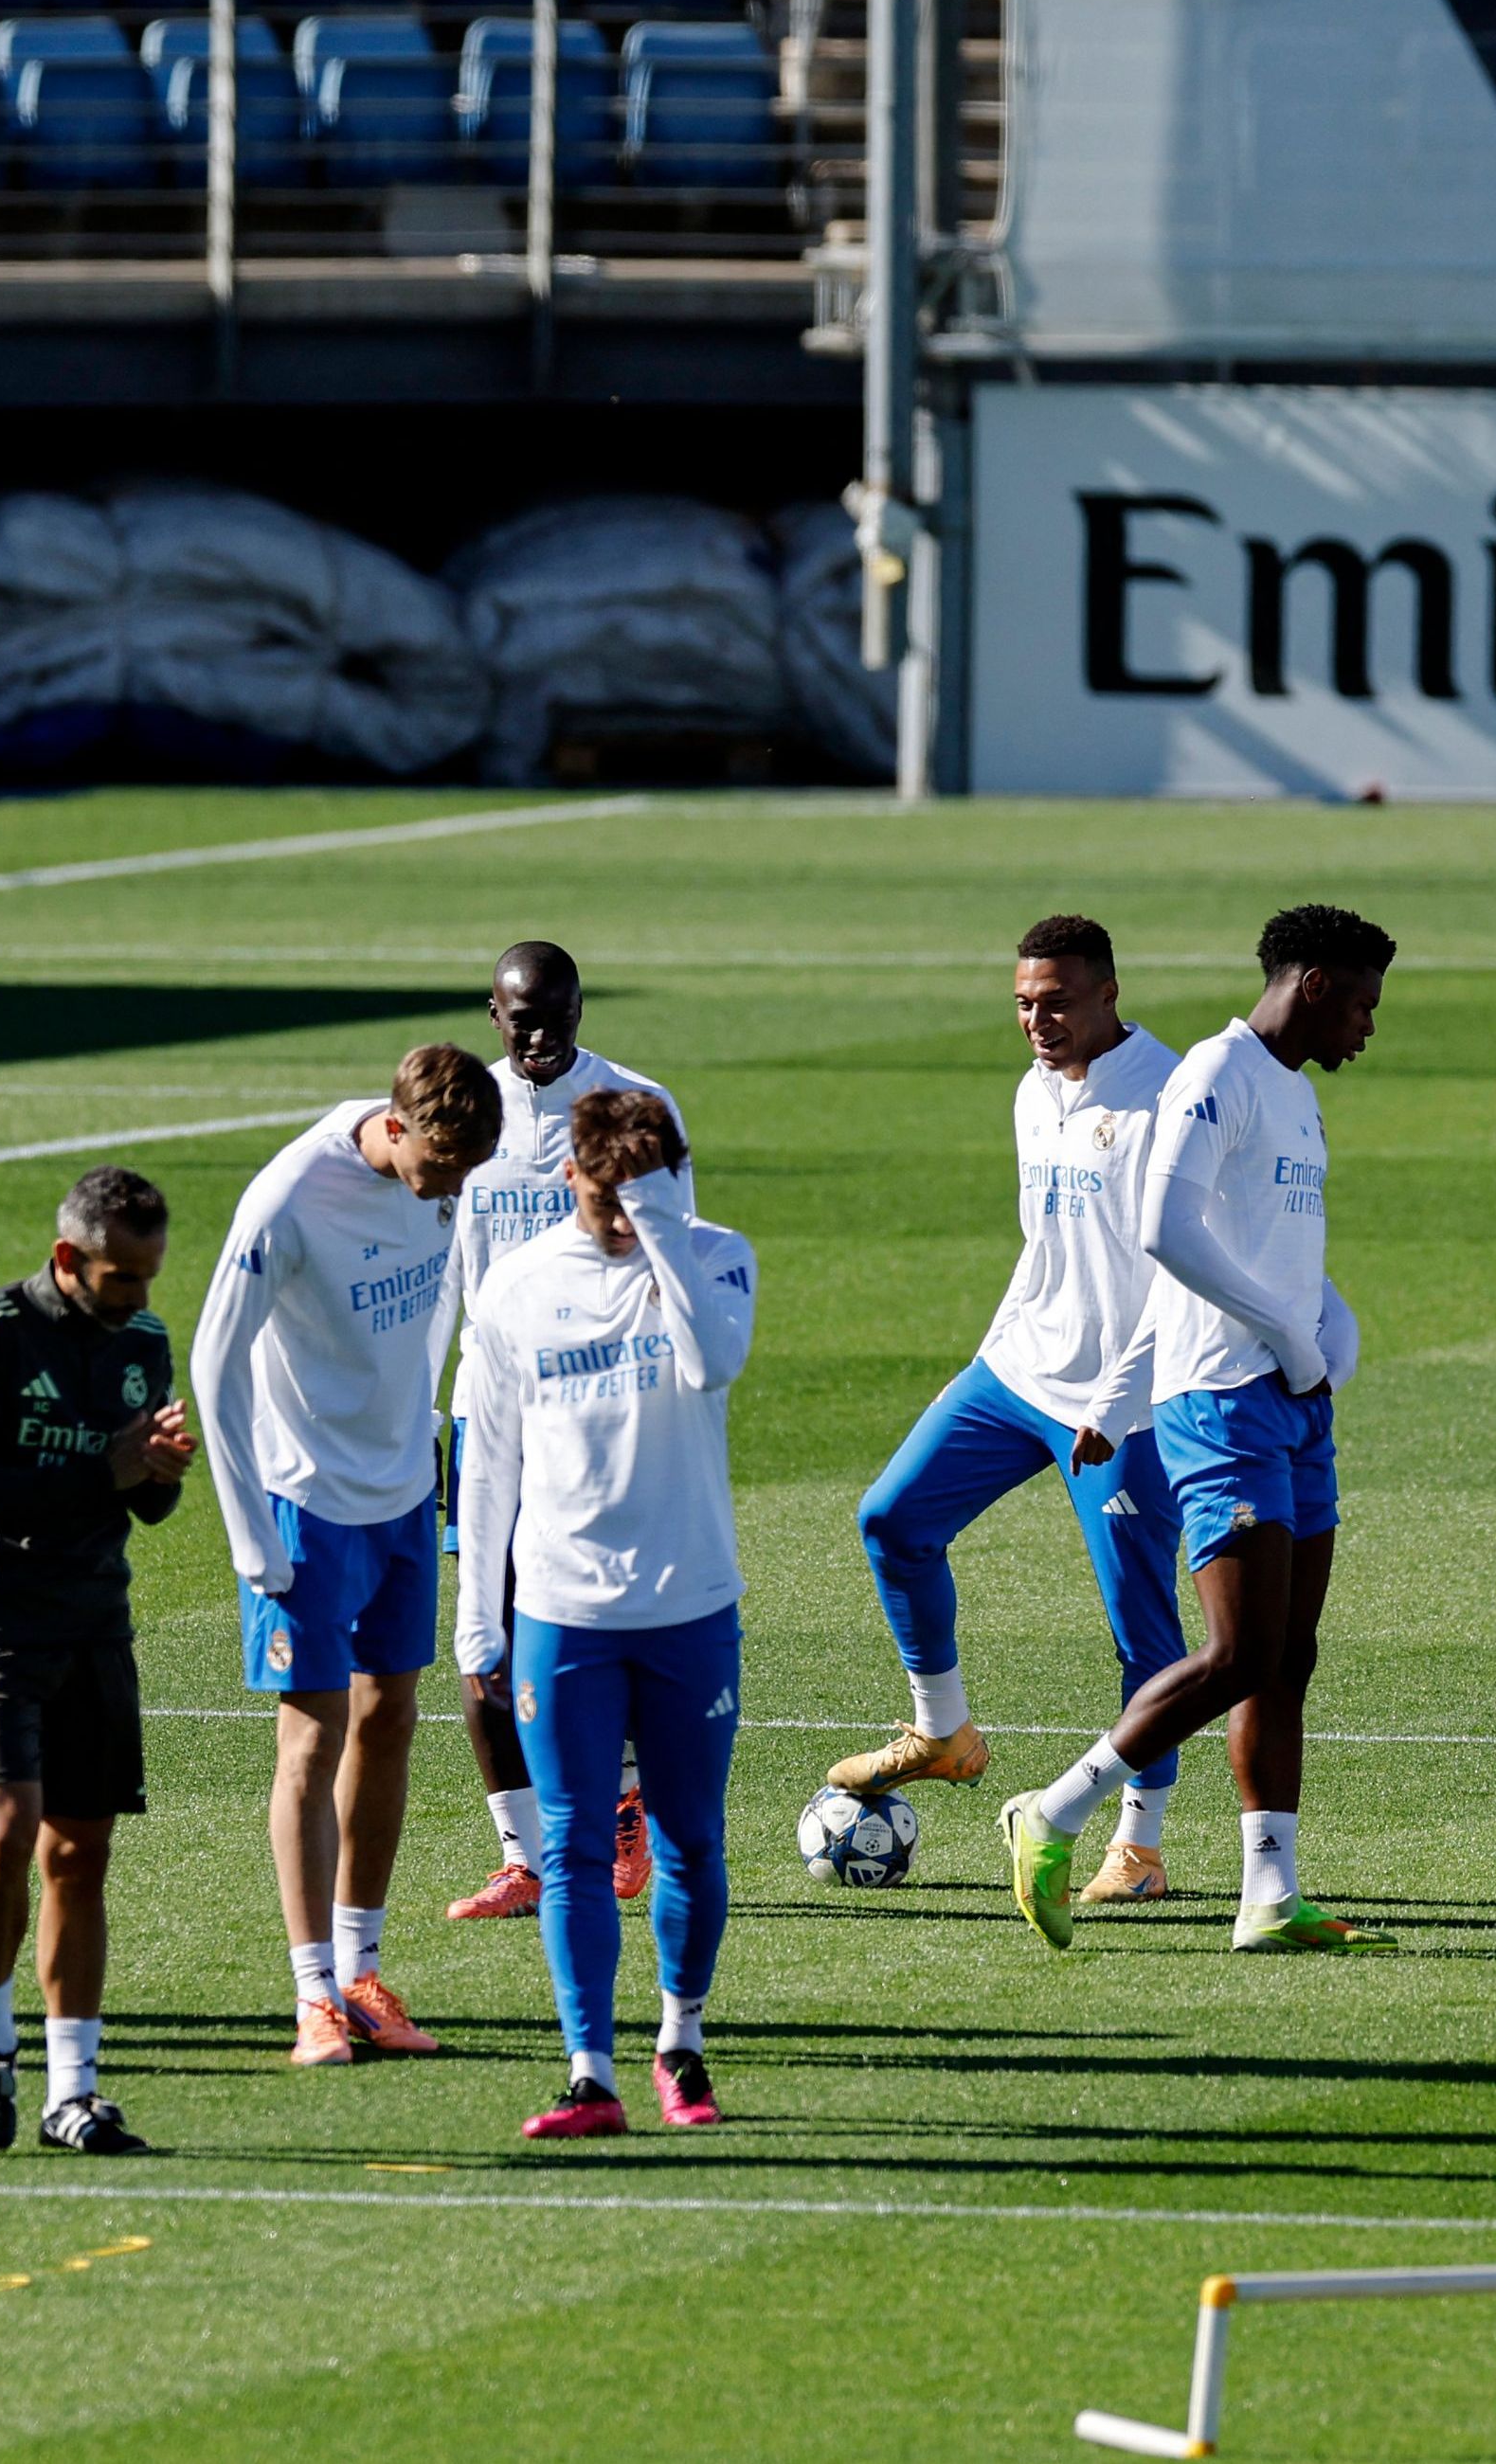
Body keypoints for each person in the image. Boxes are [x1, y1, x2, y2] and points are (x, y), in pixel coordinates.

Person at [1000, 904, 1395, 1954]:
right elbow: (1160, 1232)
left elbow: (1287, 1259)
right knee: (1237, 1649)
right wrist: (1282, 1342)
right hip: (1221, 1397)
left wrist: (1326, 1346)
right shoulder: (1216, 1074)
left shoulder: (1293, 1093)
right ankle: (1055, 1807)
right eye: (1360, 1003)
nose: (1367, 1027)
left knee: (1288, 1655)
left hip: (1290, 1399)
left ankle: (1269, 1891)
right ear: (1313, 984)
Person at [828, 914, 1197, 1907]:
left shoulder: (1168, 1100)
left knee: (1141, 1627)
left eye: (1059, 1000)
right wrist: (997, 1351)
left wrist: (1118, 1401)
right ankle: (942, 1730)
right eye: (1025, 1003)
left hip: (1128, 1402)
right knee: (891, 1519)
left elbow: (1182, 1277)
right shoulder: (1032, 1092)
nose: (1039, 1020)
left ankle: (1140, 1846)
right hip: (1018, 1370)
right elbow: (1050, 1245)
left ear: (1111, 993)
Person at [451, 1090, 761, 2137]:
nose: (622, 1213)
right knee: (577, 1844)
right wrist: (474, 1619)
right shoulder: (517, 1286)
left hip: (689, 1605)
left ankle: (682, 2041)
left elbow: (710, 1360)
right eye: (606, 1191)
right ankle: (590, 2069)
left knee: (689, 1839)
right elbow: (487, 1459)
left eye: (646, 1188)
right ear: (571, 1175)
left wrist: (661, 1225)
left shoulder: (715, 1256)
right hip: (562, 1609)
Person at [193, 1045, 498, 2066]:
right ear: (397, 1127)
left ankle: (364, 1972)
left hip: (403, 1493)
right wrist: (245, 1530)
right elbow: (211, 1356)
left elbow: (442, 1293)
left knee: (391, 1717)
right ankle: (312, 1992)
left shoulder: (447, 1174)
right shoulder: (290, 1196)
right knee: (310, 1741)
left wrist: (428, 1421)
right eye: (442, 1168)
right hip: (305, 1505)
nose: (452, 1188)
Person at [0, 1167, 193, 2154]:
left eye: (149, 1274)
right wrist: (106, 1466)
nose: (139, 1295)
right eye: (122, 1275)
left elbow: (145, 1503)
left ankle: (72, 2091)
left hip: (95, 1619)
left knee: (82, 1854)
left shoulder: (144, 1342)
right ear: (66, 1258)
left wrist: (159, 1470)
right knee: (6, 1831)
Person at [439, 941, 695, 1920]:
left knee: (598, 1615)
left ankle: (626, 1800)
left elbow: (675, 1260)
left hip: (598, 1413)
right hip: (487, 1414)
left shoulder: (634, 1105)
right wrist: (427, 1407)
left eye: (558, 1013)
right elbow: (441, 1267)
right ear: (492, 1015)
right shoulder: (468, 1113)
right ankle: (523, 1854)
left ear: (582, 1008)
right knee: (483, 1635)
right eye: (521, 1016)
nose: (541, 1033)